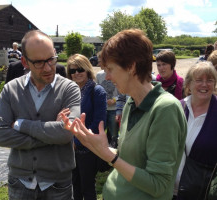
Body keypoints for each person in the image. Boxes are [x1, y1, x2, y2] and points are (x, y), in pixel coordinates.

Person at [62, 29, 187, 200]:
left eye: (111, 69)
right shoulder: (131, 102)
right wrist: (94, 144)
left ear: (131, 66)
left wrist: (109, 156)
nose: (107, 77)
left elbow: (159, 185)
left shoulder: (165, 109)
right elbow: (129, 160)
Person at [0, 30, 81, 200]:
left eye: (51, 59)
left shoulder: (69, 89)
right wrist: (51, 135)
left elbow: (66, 133)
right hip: (20, 182)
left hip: (58, 184)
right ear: (25, 62)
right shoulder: (11, 89)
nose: (48, 68)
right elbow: (0, 135)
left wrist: (21, 125)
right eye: (39, 63)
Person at [174, 61, 217, 200]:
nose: (204, 85)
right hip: (169, 188)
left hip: (200, 192)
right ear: (188, 84)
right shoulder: (177, 108)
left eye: (209, 80)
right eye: (199, 80)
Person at [66, 54, 107, 200]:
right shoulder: (68, 92)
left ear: (87, 69)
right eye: (72, 71)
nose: (76, 73)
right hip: (68, 147)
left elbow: (99, 124)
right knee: (73, 186)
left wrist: (77, 142)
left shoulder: (97, 91)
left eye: (80, 69)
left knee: (87, 188)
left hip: (87, 149)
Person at [96, 51, 119, 147]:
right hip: (103, 109)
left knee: (114, 133)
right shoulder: (99, 75)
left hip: (114, 109)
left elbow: (123, 94)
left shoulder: (117, 73)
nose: (99, 63)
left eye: (101, 61)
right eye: (99, 60)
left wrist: (113, 100)